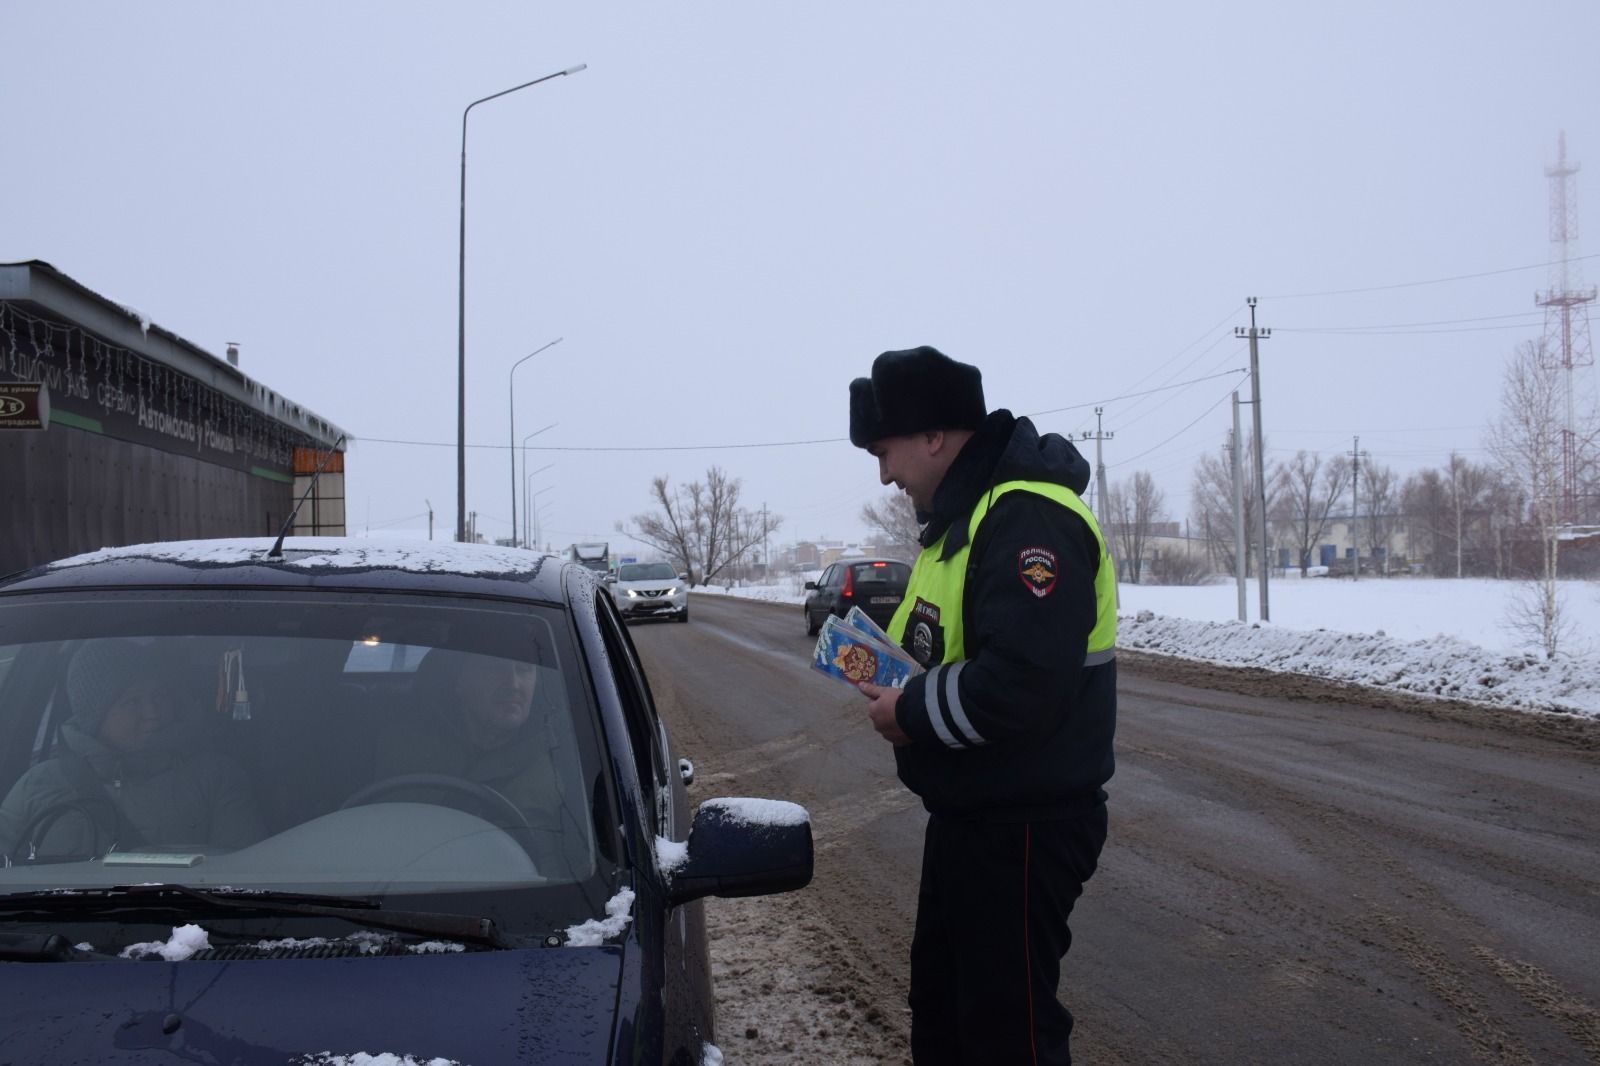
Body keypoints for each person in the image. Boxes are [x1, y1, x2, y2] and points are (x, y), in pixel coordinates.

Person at [848, 345, 1117, 1066]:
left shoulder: (1026, 519)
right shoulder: (956, 526)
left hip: (1024, 824)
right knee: (944, 1019)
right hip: (972, 819)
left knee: (1008, 1035)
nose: (885, 474)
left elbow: (1025, 683)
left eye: (886, 451)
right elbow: (938, 654)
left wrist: (908, 713)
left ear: (934, 435)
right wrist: (888, 678)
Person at [0, 639, 267, 860]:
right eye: (132, 702)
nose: (152, 713)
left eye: (159, 696)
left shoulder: (215, 777)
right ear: (94, 716)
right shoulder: (38, 786)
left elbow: (244, 878)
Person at [371, 649, 577, 872]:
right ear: (458, 681)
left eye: (524, 670)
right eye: (496, 668)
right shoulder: (402, 751)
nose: (513, 684)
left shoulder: (568, 757)